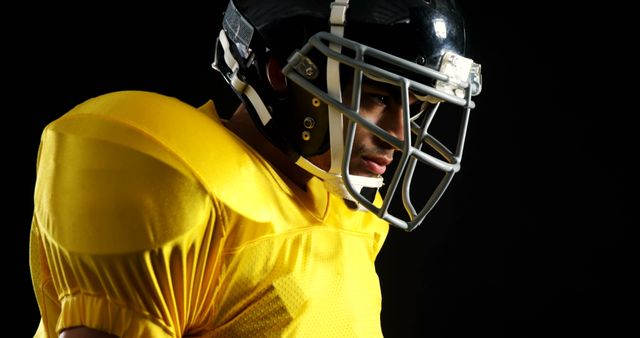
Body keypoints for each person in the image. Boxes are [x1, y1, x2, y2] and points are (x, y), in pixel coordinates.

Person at [29, 0, 482, 336]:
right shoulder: (176, 181)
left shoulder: (350, 214)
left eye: (414, 106)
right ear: (282, 73)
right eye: (380, 97)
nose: (400, 136)